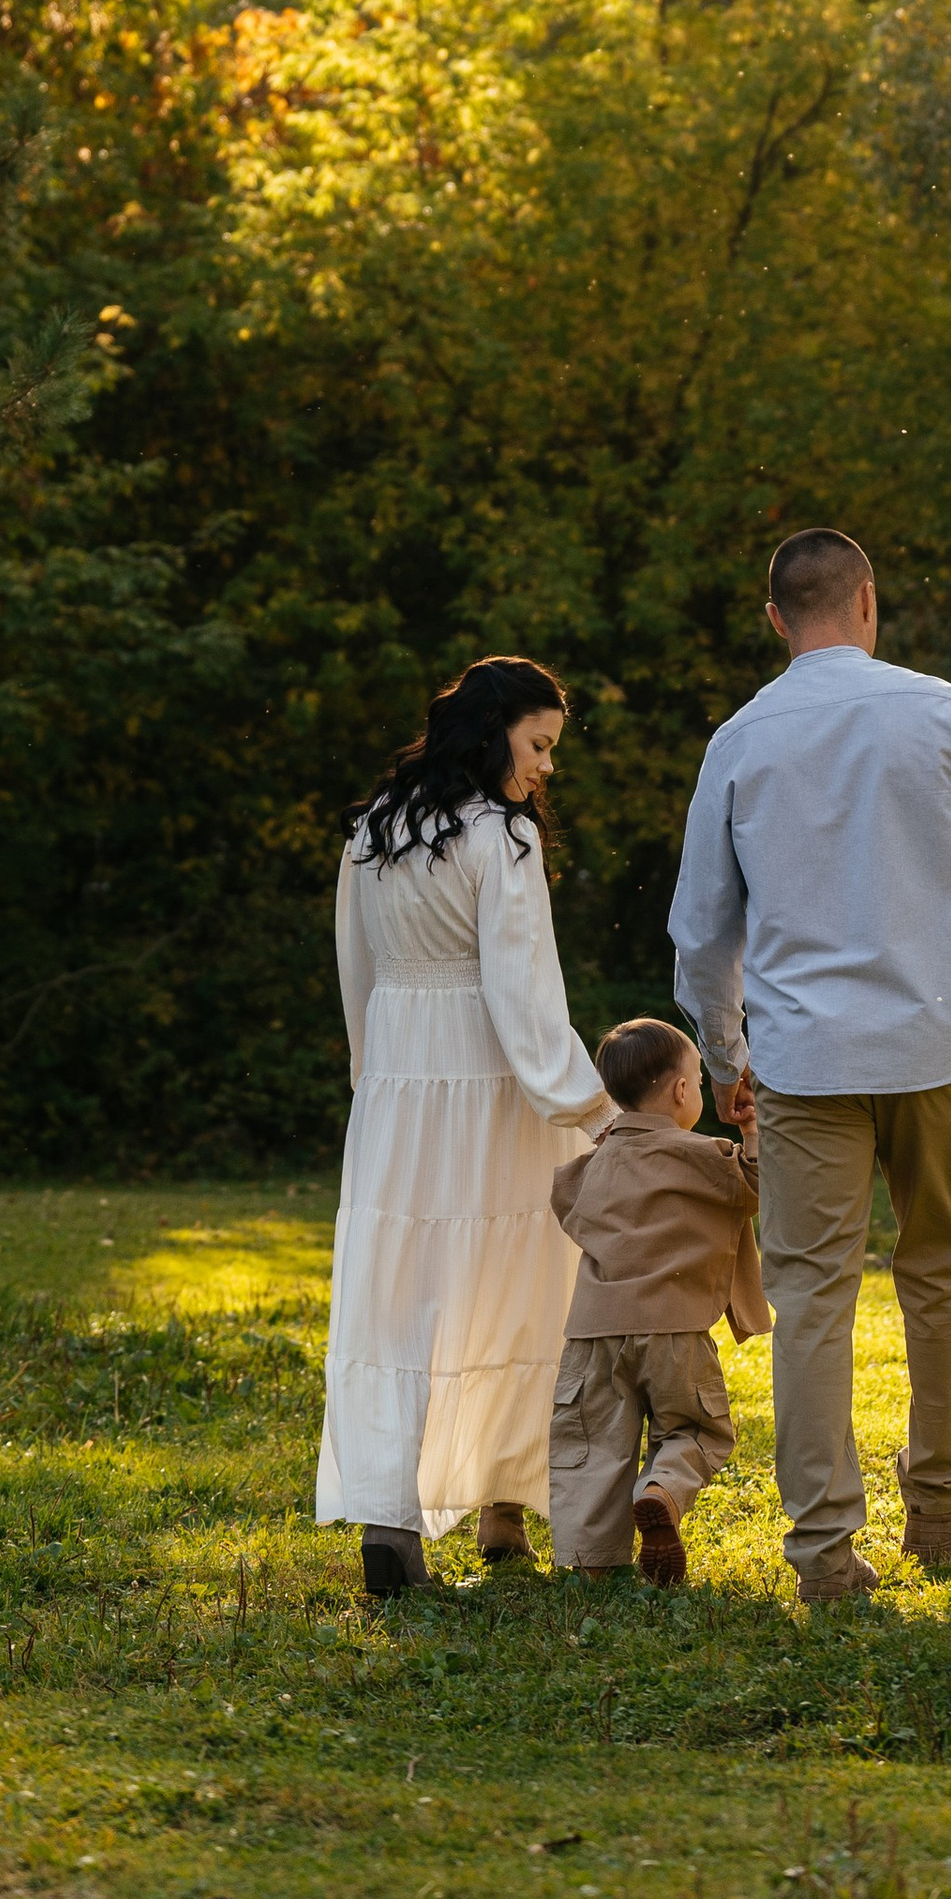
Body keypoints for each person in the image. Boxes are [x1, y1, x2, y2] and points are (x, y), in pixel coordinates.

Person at [668, 529, 951, 1605]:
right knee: (942, 1268)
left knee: (811, 1295)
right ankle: (942, 1505)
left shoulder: (740, 740)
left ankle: (823, 1549)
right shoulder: (942, 713)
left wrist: (726, 1055)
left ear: (776, 620)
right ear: (867, 601)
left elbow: (700, 930)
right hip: (941, 1043)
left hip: (804, 1058)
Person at [318, 657, 609, 1598]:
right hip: (492, 1086)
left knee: (399, 1299)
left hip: (401, 1088)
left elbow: (355, 972)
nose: (546, 769)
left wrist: (375, 1080)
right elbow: (523, 1003)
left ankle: (391, 1521)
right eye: (539, 746)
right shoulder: (502, 840)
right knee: (516, 1286)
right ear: (493, 736)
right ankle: (502, 1508)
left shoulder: (371, 830)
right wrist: (594, 1109)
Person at [546, 1016, 770, 1587]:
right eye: (696, 1080)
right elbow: (757, 1185)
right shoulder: (702, 1156)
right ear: (680, 1091)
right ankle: (661, 1491)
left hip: (593, 1334)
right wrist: (752, 1132)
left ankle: (593, 1565)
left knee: (593, 1447)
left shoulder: (588, 1168)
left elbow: (567, 1202)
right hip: (675, 1331)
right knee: (697, 1430)